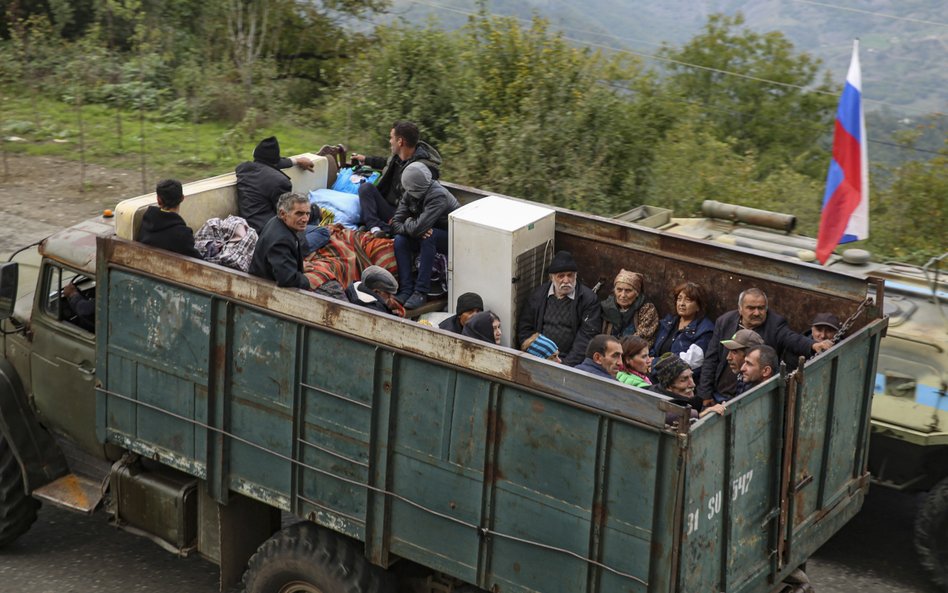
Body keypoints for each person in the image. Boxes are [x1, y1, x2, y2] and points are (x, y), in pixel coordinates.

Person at [697, 288, 832, 402]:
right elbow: (711, 359)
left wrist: (813, 346)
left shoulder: (775, 324)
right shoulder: (724, 321)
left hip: (750, 397)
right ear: (740, 309)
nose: (757, 313)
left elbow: (792, 338)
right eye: (751, 308)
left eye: (761, 308)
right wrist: (705, 395)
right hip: (719, 393)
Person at [352, 121, 443, 235]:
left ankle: (383, 229)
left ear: (400, 142)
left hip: (405, 215)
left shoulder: (423, 169)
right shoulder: (397, 158)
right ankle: (375, 227)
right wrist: (366, 159)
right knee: (365, 188)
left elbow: (429, 200)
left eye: (391, 138)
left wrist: (419, 224)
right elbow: (386, 162)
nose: (390, 141)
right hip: (388, 207)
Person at [390, 162, 460, 309]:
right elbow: (396, 223)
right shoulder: (410, 193)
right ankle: (406, 289)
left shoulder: (438, 195)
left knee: (429, 236)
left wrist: (410, 222)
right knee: (400, 240)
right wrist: (412, 224)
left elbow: (418, 229)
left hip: (453, 238)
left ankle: (421, 292)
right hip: (424, 232)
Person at [516, 250, 602, 367]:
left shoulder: (588, 299)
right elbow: (525, 330)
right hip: (540, 358)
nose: (566, 280)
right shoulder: (538, 295)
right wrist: (540, 358)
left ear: (576, 276)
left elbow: (586, 338)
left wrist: (565, 366)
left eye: (570, 275)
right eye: (561, 276)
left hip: (571, 363)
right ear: (552, 277)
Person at [236, 136, 314, 233]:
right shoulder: (281, 182)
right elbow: (286, 216)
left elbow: (271, 163)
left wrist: (297, 161)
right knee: (321, 230)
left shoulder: (242, 169)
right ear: (275, 160)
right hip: (268, 232)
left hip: (247, 227)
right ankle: (298, 246)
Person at [650, 281, 715, 383]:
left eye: (688, 300)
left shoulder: (705, 331)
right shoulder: (669, 322)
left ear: (698, 306)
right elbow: (654, 348)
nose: (682, 304)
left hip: (679, 382)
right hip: (655, 375)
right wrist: (647, 361)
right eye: (679, 299)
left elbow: (690, 362)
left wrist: (655, 363)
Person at [249, 192, 312, 290]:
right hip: (266, 290)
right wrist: (308, 281)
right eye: (299, 214)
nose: (305, 219)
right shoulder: (281, 240)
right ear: (283, 214)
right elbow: (288, 279)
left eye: (307, 214)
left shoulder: (276, 222)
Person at [651, 353, 725, 424]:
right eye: (684, 380)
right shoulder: (654, 400)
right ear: (668, 386)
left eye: (691, 376)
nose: (693, 384)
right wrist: (701, 415)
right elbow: (667, 415)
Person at [138, 179, 201, 258]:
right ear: (182, 198)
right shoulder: (182, 234)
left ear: (158, 200)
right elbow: (197, 260)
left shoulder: (146, 221)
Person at [601, 269, 659, 346]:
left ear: (637, 293)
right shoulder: (607, 306)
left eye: (628, 291)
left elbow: (642, 337)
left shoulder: (647, 309)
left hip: (632, 351)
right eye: (619, 290)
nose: (623, 295)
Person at [718, 329, 765, 401]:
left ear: (750, 354)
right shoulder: (742, 376)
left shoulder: (756, 381)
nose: (728, 357)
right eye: (729, 352)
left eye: (734, 352)